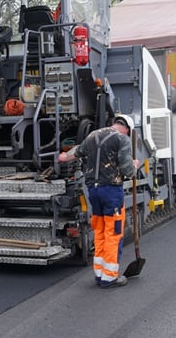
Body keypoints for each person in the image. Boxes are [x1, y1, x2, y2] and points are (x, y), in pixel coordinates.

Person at [58, 114, 140, 288]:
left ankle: (99, 273)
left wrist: (64, 157)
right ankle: (110, 277)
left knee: (100, 230)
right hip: (111, 191)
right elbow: (128, 170)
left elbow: (77, 152)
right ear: (127, 128)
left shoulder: (94, 135)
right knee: (113, 232)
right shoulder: (122, 139)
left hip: (93, 191)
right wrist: (135, 165)